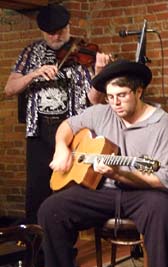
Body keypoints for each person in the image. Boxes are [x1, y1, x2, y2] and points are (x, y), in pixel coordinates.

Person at [35, 59, 168, 267]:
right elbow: (67, 127)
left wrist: (119, 173)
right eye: (111, 97)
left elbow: (164, 179)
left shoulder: (163, 124)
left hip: (145, 191)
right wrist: (61, 146)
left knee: (162, 210)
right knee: (51, 209)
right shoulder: (102, 113)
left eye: (122, 96)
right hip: (103, 190)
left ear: (139, 92)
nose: (115, 103)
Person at [4, 4, 110, 225]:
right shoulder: (30, 52)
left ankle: (64, 250)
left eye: (60, 31)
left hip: (73, 130)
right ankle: (35, 250)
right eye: (50, 33)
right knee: (37, 189)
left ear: (68, 27)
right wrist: (34, 74)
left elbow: (94, 100)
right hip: (39, 130)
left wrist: (100, 74)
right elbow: (9, 89)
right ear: (42, 31)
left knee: (67, 188)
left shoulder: (84, 52)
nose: (55, 36)